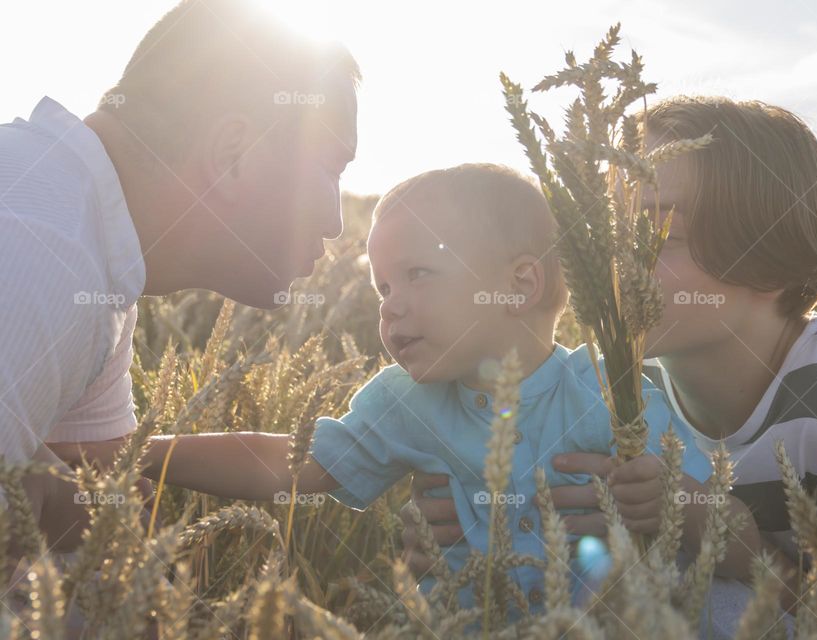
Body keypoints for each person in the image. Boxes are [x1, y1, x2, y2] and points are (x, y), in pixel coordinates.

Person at [52, 164, 770, 613]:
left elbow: (740, 551)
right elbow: (299, 460)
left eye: (418, 276)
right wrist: (148, 450)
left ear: (521, 284)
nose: (389, 306)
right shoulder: (403, 401)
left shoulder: (614, 396)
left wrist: (683, 506)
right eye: (381, 286)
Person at [402, 97, 817, 637]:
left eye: (657, 234)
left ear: (770, 264)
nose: (618, 259)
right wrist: (472, 520)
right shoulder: (621, 387)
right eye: (610, 229)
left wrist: (715, 531)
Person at [0, 0, 358, 579]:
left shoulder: (97, 255)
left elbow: (114, 509)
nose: (338, 222)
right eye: (332, 168)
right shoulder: (44, 255)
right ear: (233, 154)